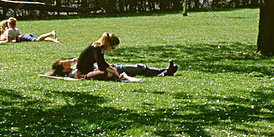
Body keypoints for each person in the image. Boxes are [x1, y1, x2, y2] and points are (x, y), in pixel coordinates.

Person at [46, 57, 178, 79]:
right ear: (64, 70)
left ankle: (165, 70)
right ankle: (164, 73)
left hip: (110, 67)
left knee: (141, 68)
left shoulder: (73, 68)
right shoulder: (73, 73)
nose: (66, 62)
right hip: (112, 70)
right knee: (139, 69)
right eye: (64, 63)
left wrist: (73, 60)